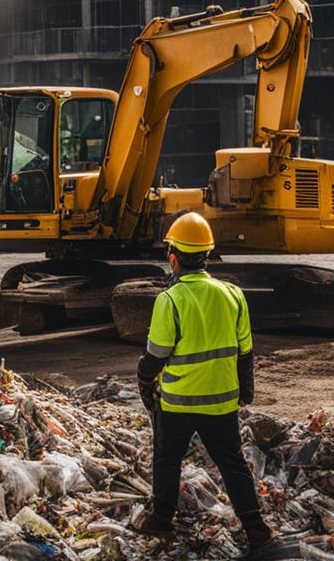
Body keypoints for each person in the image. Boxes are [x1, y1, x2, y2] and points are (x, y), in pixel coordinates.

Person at [134, 212, 274, 552]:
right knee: (232, 462)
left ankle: (162, 521)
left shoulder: (169, 300)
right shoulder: (233, 294)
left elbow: (156, 355)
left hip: (179, 401)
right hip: (222, 401)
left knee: (167, 459)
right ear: (206, 256)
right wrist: (246, 387)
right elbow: (245, 350)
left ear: (173, 258)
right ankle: (256, 527)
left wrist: (144, 379)